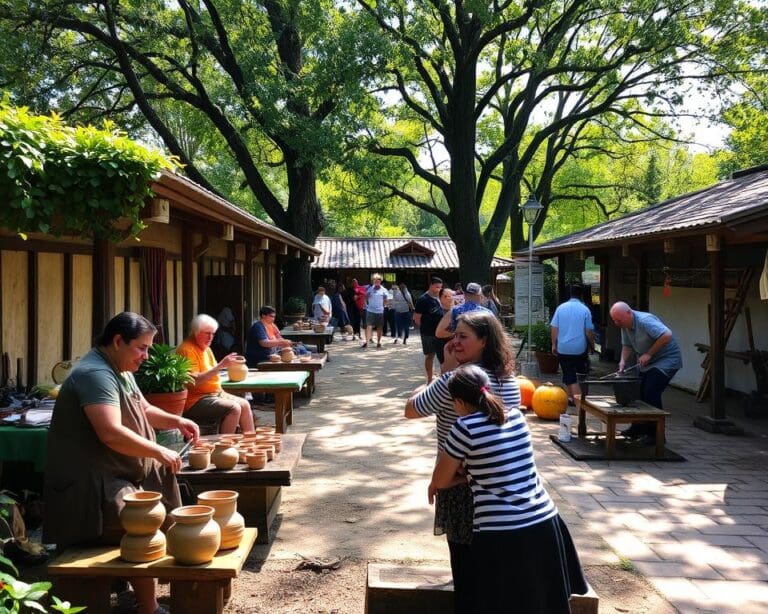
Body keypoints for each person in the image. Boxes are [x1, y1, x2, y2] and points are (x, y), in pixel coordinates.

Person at [44, 312, 200, 614]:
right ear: (118, 341)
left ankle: (143, 583)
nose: (145, 355)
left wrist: (177, 420)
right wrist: (158, 450)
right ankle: (148, 606)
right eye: (141, 348)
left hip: (115, 469)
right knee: (141, 520)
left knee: (162, 483)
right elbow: (110, 432)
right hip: (90, 483)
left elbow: (143, 408)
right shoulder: (95, 375)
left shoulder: (121, 369)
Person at [429, 364, 587, 612]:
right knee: (542, 604)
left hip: (500, 532)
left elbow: (440, 480)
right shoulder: (516, 416)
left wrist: (468, 477)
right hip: (545, 522)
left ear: (458, 402)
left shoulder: (464, 427)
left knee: (500, 603)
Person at [405, 311, 521, 613]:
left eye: (463, 336)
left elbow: (411, 409)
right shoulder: (509, 380)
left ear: (484, 341)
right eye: (454, 334)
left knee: (465, 567)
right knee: (492, 567)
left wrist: (440, 373)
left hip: (458, 483)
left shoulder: (453, 383)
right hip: (500, 485)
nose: (454, 341)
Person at [609, 301, 683, 443]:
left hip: (666, 360)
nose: (616, 323)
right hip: (647, 363)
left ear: (629, 313)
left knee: (650, 392)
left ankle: (657, 435)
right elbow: (627, 345)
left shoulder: (645, 320)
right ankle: (638, 428)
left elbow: (667, 335)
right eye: (614, 320)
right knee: (637, 392)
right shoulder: (624, 325)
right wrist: (622, 362)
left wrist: (649, 353)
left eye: (618, 320)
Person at [176, 314, 255, 434]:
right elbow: (194, 382)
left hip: (214, 393)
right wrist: (221, 366)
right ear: (196, 332)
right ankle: (224, 448)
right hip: (196, 400)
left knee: (244, 404)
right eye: (207, 333)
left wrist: (222, 367)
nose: (211, 337)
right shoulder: (187, 349)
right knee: (234, 408)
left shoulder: (206, 349)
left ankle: (251, 443)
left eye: (213, 334)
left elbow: (212, 373)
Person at [550, 285, 595, 406]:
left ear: (569, 294)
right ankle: (578, 402)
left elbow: (554, 328)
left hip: (563, 347)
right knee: (578, 377)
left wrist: (554, 344)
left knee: (568, 375)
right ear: (581, 295)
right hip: (579, 348)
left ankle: (573, 400)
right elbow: (588, 331)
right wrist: (592, 345)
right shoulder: (585, 309)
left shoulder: (560, 308)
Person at [413, 276, 443, 382]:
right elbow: (416, 318)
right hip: (428, 332)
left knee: (443, 355)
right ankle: (429, 378)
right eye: (436, 287)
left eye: (440, 287)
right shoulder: (423, 299)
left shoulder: (441, 297)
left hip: (441, 332)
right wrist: (425, 328)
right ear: (430, 286)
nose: (438, 289)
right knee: (430, 355)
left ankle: (442, 377)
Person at [362, 273, 389, 349]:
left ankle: (378, 342)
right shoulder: (370, 289)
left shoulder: (384, 290)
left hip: (379, 311)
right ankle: (367, 342)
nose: (376, 281)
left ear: (380, 281)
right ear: (373, 281)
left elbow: (387, 300)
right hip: (370, 310)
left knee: (379, 327)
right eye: (375, 280)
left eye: (378, 280)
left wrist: (384, 304)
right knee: (369, 326)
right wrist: (366, 305)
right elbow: (365, 298)